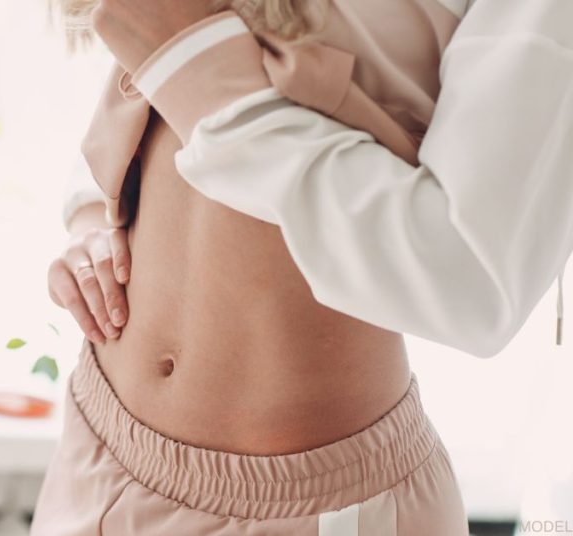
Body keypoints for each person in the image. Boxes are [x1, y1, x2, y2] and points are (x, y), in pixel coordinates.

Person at [33, 0, 573, 534]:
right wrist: (93, 218)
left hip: (319, 511)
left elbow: (473, 279)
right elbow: (149, 41)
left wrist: (196, 71)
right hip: (98, 447)